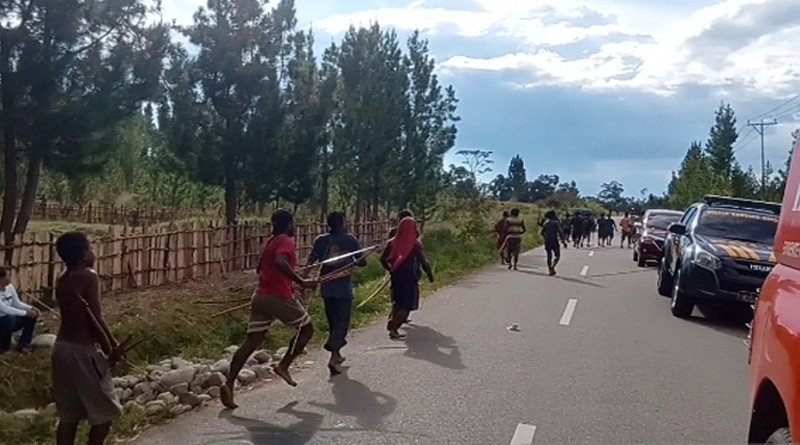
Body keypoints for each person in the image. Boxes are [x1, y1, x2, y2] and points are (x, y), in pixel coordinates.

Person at [221, 209, 318, 409]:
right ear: (288, 224)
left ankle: (229, 383)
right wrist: (302, 281)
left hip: (261, 296)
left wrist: (292, 284)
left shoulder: (271, 241)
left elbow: (263, 269)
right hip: (278, 298)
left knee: (252, 341)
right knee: (307, 329)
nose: (294, 227)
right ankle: (284, 365)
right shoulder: (285, 241)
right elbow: (280, 262)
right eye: (293, 223)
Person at [51, 232, 124, 445]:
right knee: (105, 412)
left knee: (69, 416)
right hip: (82, 352)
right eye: (90, 248)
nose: (93, 253)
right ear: (84, 254)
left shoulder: (63, 280)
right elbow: (95, 317)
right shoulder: (88, 276)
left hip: (61, 349)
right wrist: (111, 347)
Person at [306, 211, 366, 376]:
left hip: (327, 289)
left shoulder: (321, 240)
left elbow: (310, 261)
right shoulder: (350, 239)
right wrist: (355, 259)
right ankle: (333, 354)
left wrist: (303, 280)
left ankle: (336, 354)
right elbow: (363, 262)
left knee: (333, 322)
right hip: (343, 289)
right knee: (342, 323)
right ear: (343, 223)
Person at [381, 217, 434, 339]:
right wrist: (430, 275)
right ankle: (394, 327)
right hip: (409, 277)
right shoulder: (414, 245)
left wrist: (391, 269)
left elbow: (383, 259)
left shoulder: (392, 242)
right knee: (407, 305)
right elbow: (424, 262)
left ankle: (392, 322)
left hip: (396, 276)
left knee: (397, 302)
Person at [0, 267, 38, 354]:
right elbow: (4, 309)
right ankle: (3, 347)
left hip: (9, 320)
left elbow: (16, 303)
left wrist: (30, 308)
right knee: (9, 319)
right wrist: (25, 313)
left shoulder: (10, 287)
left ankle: (23, 344)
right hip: (3, 321)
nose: (10, 277)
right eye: (8, 275)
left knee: (32, 316)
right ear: (1, 279)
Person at [541, 210, 568, 276]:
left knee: (549, 256)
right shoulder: (556, 223)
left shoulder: (546, 223)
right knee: (557, 256)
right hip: (554, 240)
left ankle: (550, 269)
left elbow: (542, 233)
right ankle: (553, 266)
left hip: (547, 240)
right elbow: (560, 232)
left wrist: (546, 237)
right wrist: (563, 241)